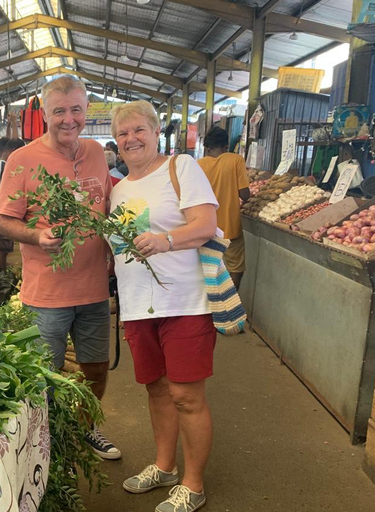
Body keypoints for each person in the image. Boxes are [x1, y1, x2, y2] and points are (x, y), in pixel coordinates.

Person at [0, 75, 119, 460]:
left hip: (95, 288)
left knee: (96, 368)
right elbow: (2, 221)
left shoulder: (98, 153)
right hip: (46, 294)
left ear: (86, 111)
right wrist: (37, 236)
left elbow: (110, 207)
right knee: (42, 376)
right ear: (45, 113)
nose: (69, 119)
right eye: (60, 111)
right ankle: (46, 440)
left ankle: (85, 428)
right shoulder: (23, 160)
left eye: (76, 110)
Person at [109, 100, 218, 512]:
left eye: (138, 130)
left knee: (186, 395)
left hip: (184, 300)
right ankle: (165, 466)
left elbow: (205, 225)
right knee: (156, 389)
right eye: (122, 134)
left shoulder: (181, 168)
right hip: (138, 304)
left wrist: (166, 240)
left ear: (156, 132)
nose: (130, 139)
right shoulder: (119, 188)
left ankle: (193, 484)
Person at [198, 126, 250, 289]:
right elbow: (245, 194)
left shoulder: (199, 164)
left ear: (207, 147)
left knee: (209, 268)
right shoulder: (235, 160)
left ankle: (210, 307)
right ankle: (230, 306)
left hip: (206, 227)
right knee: (235, 267)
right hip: (230, 226)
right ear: (226, 145)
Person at [0, 138, 25, 272]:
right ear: (14, 151)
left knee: (0, 249)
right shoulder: (2, 167)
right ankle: (1, 279)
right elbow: (5, 193)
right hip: (0, 214)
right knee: (2, 249)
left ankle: (0, 278)